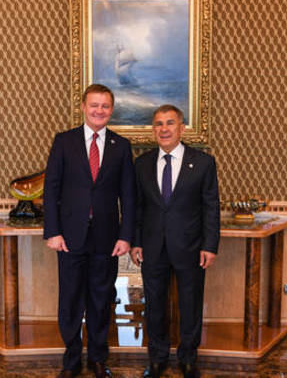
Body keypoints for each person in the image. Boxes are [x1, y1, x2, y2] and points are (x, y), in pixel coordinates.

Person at [43, 84, 135, 378]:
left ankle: (98, 358)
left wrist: (126, 236)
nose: (99, 110)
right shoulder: (64, 141)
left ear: (111, 110)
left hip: (107, 238)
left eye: (105, 106)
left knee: (100, 299)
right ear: (83, 106)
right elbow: (51, 189)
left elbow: (128, 195)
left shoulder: (121, 146)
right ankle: (71, 360)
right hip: (69, 237)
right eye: (94, 105)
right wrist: (53, 232)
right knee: (70, 300)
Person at [130, 105, 220, 378]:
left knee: (190, 304)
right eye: (158, 124)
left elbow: (211, 207)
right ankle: (157, 358)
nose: (164, 129)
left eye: (170, 123)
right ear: (153, 130)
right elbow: (138, 207)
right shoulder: (142, 164)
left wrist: (210, 245)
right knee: (155, 304)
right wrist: (136, 242)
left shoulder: (203, 162)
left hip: (190, 247)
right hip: (152, 246)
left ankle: (188, 358)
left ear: (181, 128)